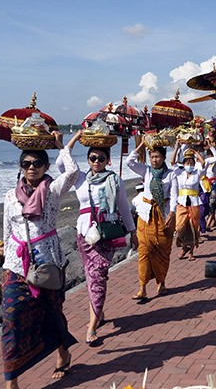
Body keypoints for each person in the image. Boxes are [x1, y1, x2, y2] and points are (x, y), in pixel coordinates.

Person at [1, 131, 79, 389]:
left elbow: (72, 173)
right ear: (20, 167)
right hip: (16, 264)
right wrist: (5, 258)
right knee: (11, 317)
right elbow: (6, 230)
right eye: (26, 164)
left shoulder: (53, 190)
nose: (31, 168)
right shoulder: (10, 196)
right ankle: (12, 381)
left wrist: (61, 147)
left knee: (52, 310)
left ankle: (62, 353)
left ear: (45, 166)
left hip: (48, 261)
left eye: (37, 164)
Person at [57, 132, 136, 345]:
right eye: (93, 158)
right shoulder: (80, 178)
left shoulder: (114, 179)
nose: (97, 162)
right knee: (92, 276)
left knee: (98, 275)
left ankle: (92, 325)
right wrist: (73, 139)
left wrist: (133, 231)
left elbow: (124, 207)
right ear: (88, 159)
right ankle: (99, 313)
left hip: (107, 234)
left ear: (108, 160)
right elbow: (61, 164)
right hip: (85, 235)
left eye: (101, 158)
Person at [127, 141, 177, 300]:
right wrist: (142, 144)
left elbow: (175, 194)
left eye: (157, 156)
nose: (154, 160)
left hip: (163, 215)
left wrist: (172, 213)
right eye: (152, 156)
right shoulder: (146, 171)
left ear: (163, 158)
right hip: (146, 214)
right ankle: (142, 287)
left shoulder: (171, 174)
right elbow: (129, 161)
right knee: (144, 250)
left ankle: (161, 283)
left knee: (163, 250)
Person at [171, 148, 205, 260]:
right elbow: (172, 162)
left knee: (193, 227)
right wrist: (176, 147)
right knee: (180, 226)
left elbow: (203, 162)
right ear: (184, 163)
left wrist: (195, 152)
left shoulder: (197, 173)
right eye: (187, 163)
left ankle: (190, 251)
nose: (189, 165)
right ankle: (184, 246)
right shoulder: (180, 173)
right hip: (182, 202)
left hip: (194, 202)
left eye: (191, 163)